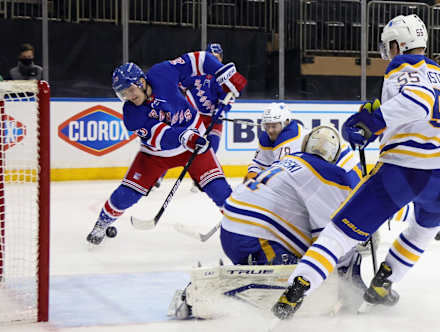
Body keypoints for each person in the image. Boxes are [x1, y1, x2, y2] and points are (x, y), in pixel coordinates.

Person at [272, 14, 440, 320]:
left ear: (399, 44)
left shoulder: (404, 65)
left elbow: (418, 102)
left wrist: (370, 122)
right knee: (421, 231)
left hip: (407, 170)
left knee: (340, 233)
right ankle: (383, 284)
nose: (387, 52)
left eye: (389, 45)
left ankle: (298, 288)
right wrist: (376, 115)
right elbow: (425, 112)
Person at [171, 126, 366, 319]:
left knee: (300, 254)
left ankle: (239, 275)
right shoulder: (331, 175)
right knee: (303, 276)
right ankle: (204, 294)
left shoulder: (291, 159)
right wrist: (346, 266)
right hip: (255, 235)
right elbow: (327, 236)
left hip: (232, 226)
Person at [86, 52, 247, 245]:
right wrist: (186, 136)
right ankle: (102, 222)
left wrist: (223, 73)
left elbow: (199, 59)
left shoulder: (163, 73)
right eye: (123, 94)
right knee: (126, 195)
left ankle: (242, 230)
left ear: (141, 81)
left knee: (220, 191)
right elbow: (159, 137)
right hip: (156, 155)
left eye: (130, 90)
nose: (129, 97)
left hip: (193, 144)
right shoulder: (131, 114)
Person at [154, 43, 228, 193]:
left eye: (217, 57)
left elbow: (227, 99)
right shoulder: (195, 74)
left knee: (210, 149)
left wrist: (221, 110)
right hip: (193, 117)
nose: (215, 60)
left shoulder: (224, 77)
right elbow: (178, 84)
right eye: (211, 57)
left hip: (213, 120)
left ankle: (201, 179)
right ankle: (158, 176)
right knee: (175, 144)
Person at [245, 102, 362, 185]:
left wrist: (256, 182)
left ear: (286, 122)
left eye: (274, 126)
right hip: (328, 170)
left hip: (346, 167)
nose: (270, 130)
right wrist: (252, 172)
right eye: (267, 126)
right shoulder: (267, 137)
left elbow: (278, 177)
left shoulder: (289, 137)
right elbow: (260, 163)